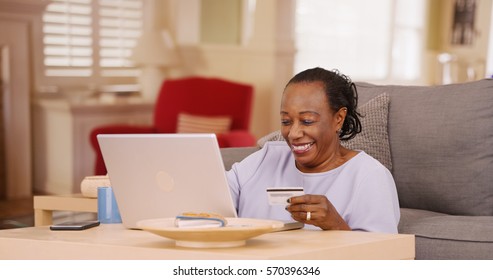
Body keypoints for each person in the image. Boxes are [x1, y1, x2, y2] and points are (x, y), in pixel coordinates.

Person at [226, 67, 400, 233]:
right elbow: (213, 197)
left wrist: (336, 226)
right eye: (286, 121)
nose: (293, 134)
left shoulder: (369, 176)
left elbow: (384, 256)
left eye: (307, 121)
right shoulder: (265, 159)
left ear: (338, 118)